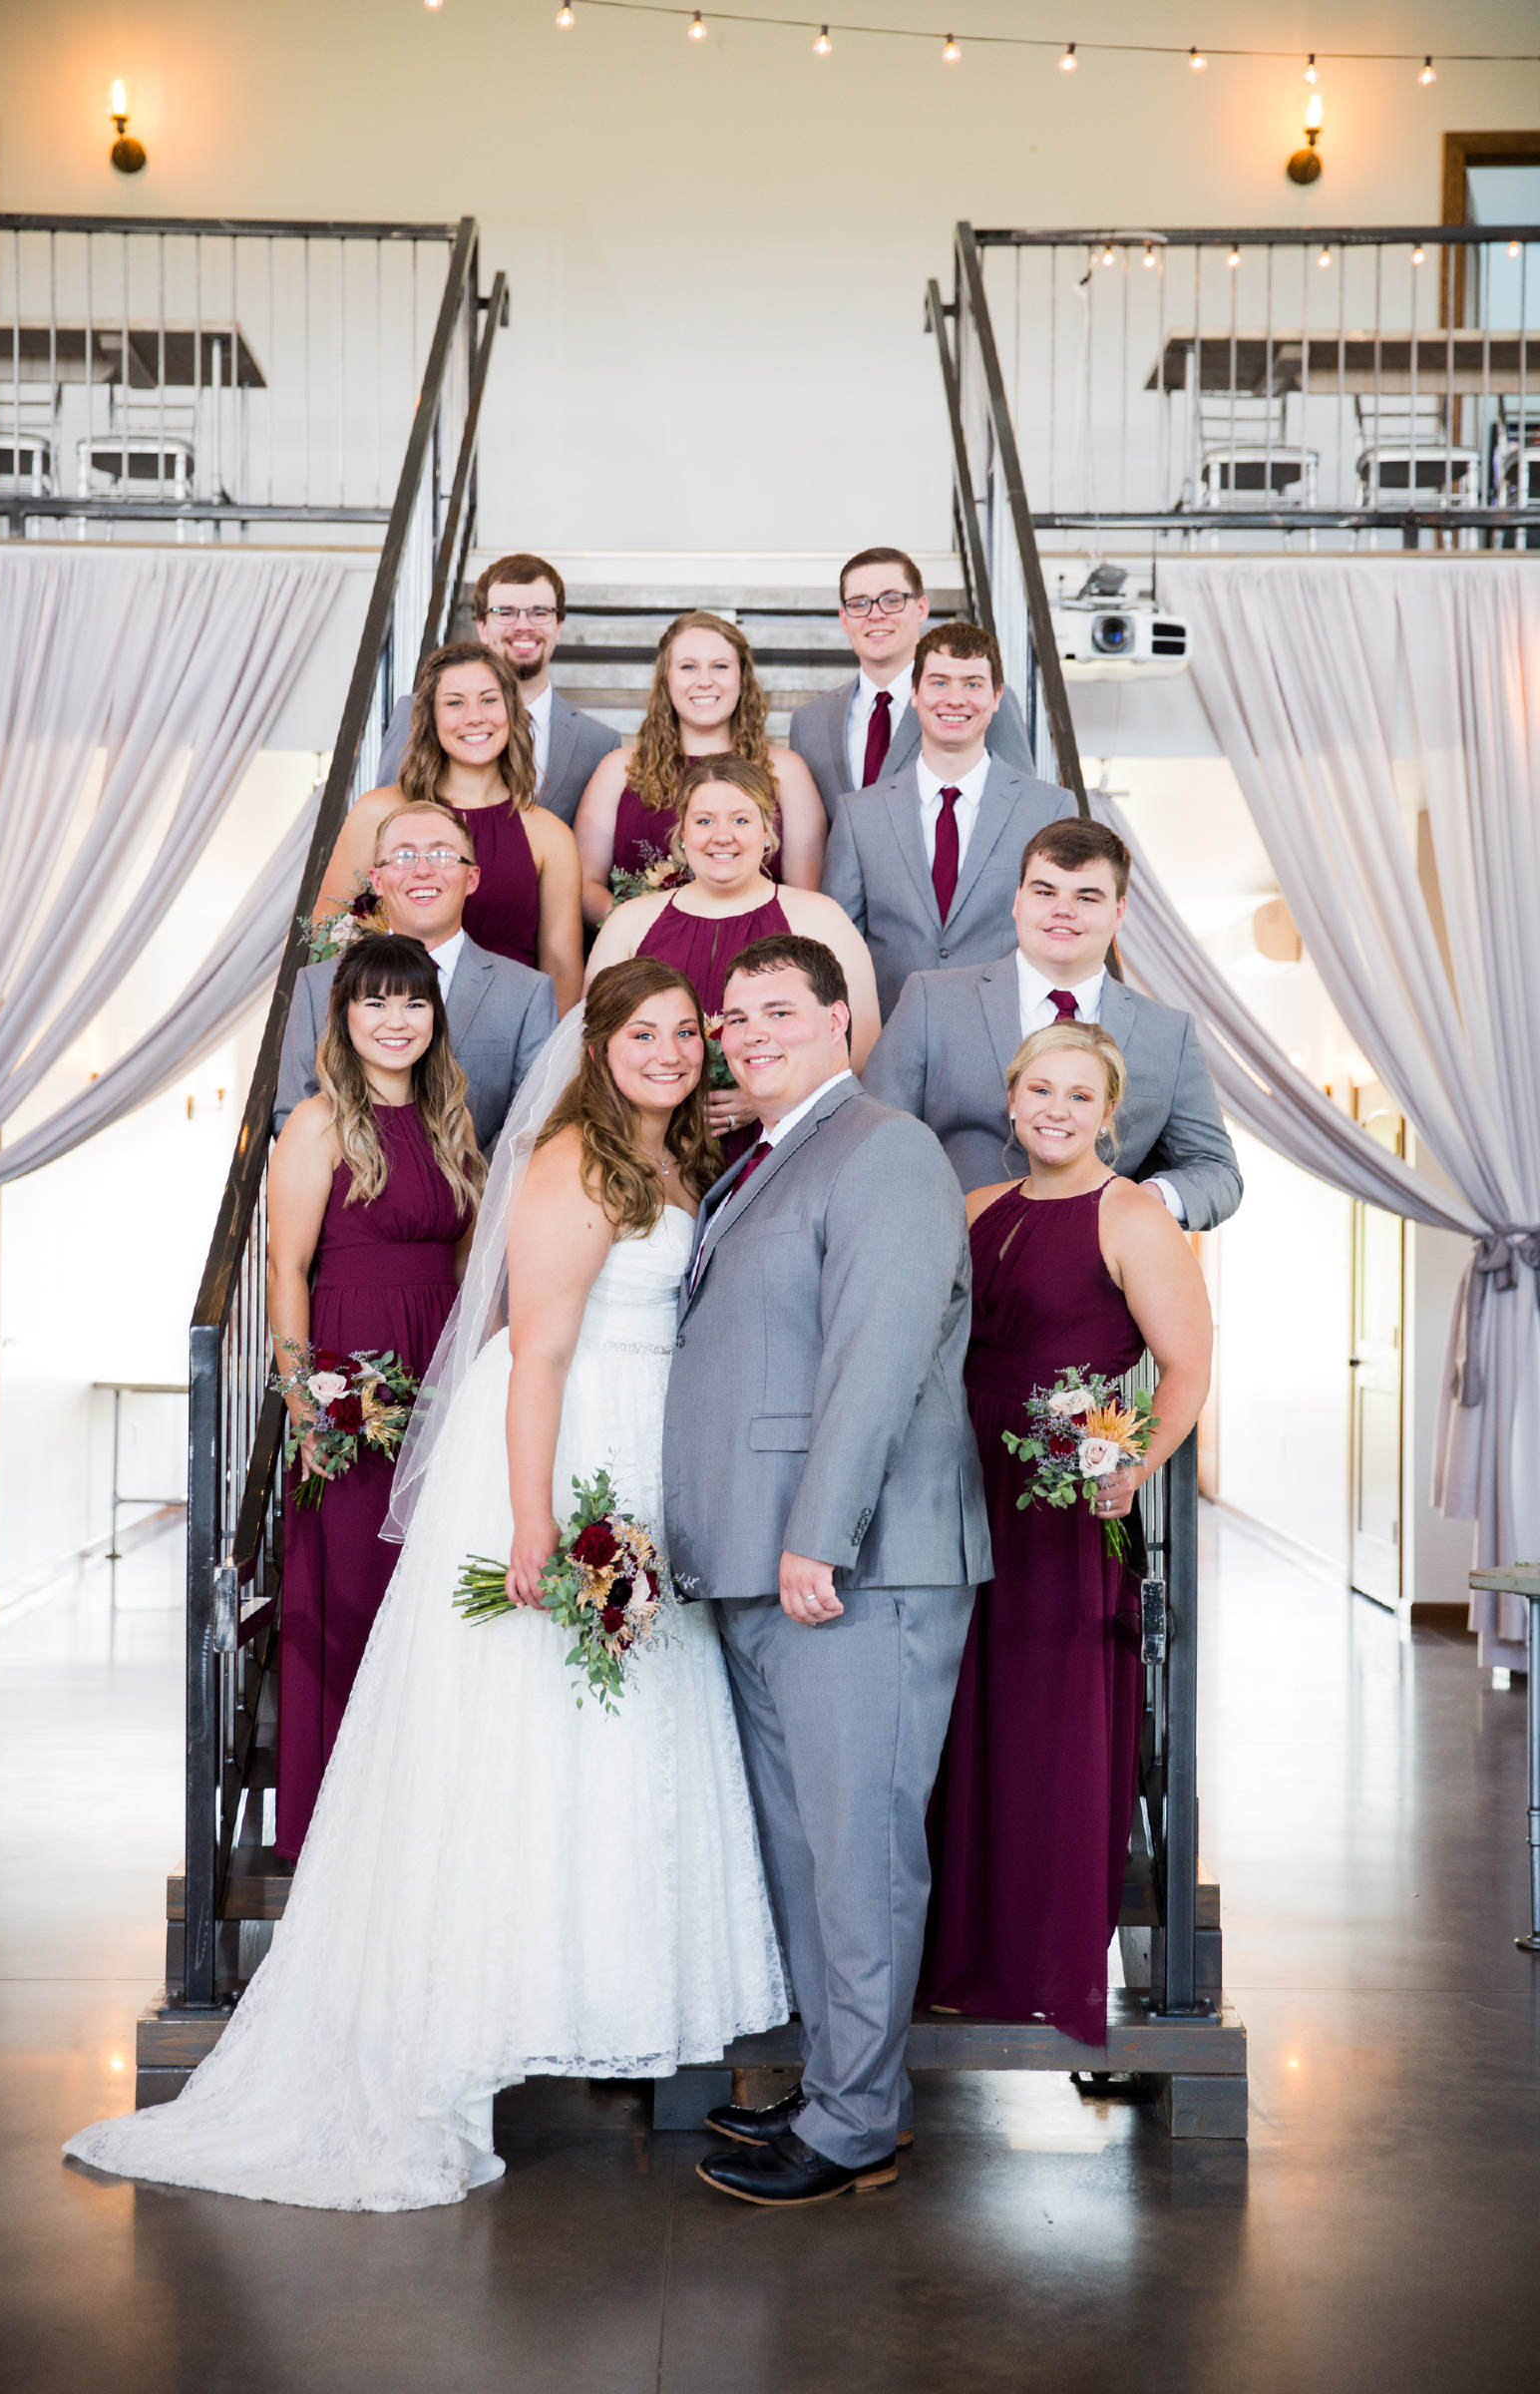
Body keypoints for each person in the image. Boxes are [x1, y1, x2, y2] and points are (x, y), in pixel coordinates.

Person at [64, 959, 786, 2210]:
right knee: (522, 1737)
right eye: (644, 1033)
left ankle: (601, 1984)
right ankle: (474, 2012)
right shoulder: (572, 1162)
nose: (668, 1052)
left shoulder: (677, 1159)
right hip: (565, 1451)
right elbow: (539, 1357)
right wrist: (532, 1526)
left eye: (686, 1035)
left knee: (618, 1741)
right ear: (599, 1043)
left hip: (651, 1446)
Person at [662, 934, 990, 2207]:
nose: (747, 1035)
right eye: (732, 1019)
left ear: (842, 1020)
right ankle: (839, 2084)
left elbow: (877, 1357)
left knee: (858, 1850)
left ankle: (859, 2123)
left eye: (777, 1012)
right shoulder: (771, 1156)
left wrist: (819, 1533)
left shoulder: (886, 1149)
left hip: (858, 1565)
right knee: (805, 1848)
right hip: (767, 1564)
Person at [919, 1020, 1212, 2044]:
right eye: (1038, 1090)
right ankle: (951, 1953)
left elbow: (1184, 1369)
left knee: (1047, 1724)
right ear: (1009, 1100)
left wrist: (1133, 1464)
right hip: (955, 1480)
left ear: (1108, 1115)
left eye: (1077, 1097)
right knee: (960, 1717)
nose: (1053, 1110)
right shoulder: (972, 1208)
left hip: (1062, 1493)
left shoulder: (1130, 1216)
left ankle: (1038, 1954)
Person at [266, 934, 482, 1858]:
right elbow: (286, 1264)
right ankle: (345, 1825)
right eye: (375, 1005)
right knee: (356, 1584)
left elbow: (470, 1255)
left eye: (414, 1005)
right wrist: (302, 1400)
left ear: (435, 1019)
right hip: (355, 1371)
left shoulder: (451, 1120)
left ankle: (423, 1809)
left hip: (442, 1364)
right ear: (344, 1019)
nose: (396, 1022)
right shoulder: (317, 1123)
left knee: (427, 1591)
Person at [865, 817, 1244, 1229]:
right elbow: (874, 1145)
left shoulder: (1169, 1035)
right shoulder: (930, 1001)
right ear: (1017, 901)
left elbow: (1216, 1171)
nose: (1063, 910)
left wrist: (1136, 1202)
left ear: (1119, 912)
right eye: (1045, 892)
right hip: (953, 1263)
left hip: (1093, 1273)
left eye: (1087, 897)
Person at [585, 758, 882, 1151]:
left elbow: (860, 1045)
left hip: (784, 1143)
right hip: (653, 1148)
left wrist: (767, 1092)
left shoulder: (820, 917)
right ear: (682, 835)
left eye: (740, 820)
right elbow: (594, 1044)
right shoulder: (629, 922)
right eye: (705, 821)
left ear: (767, 833)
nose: (721, 836)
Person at [823, 620, 1075, 1018]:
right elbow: (837, 947)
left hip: (1012, 1037)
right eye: (939, 682)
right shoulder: (859, 815)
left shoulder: (1049, 809)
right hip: (887, 1034)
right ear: (914, 693)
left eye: (973, 684)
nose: (955, 699)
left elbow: (1064, 938)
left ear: (996, 697)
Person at [274, 801, 558, 1155]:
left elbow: (533, 1122)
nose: (423, 870)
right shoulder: (317, 986)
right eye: (403, 856)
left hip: (478, 1201)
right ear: (376, 881)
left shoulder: (528, 993)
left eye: (442, 855)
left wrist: (470, 1193)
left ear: (472, 878)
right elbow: (292, 1112)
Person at [317, 642, 583, 1016]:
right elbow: (323, 938)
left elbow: (562, 969)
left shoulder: (549, 834)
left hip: (505, 1035)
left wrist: (544, 1064)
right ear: (431, 717)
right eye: (455, 703)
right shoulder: (378, 812)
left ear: (512, 711)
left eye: (488, 700)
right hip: (390, 1029)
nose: (474, 717)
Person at [574, 611, 827, 924]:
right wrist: (640, 929)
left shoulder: (786, 772)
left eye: (719, 666)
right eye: (688, 667)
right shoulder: (618, 770)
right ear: (666, 680)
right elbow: (584, 886)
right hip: (642, 961)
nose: (704, 680)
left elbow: (806, 898)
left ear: (742, 680)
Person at [375, 553, 620, 828]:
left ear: (558, 626)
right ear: (481, 626)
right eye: (505, 613)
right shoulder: (417, 712)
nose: (523, 626)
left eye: (539, 612)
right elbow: (386, 825)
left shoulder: (599, 743)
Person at [791, 546, 1035, 821]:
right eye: (859, 603)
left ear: (921, 609)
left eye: (891, 600)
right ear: (844, 619)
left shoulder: (974, 703)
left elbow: (1021, 805)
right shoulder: (809, 722)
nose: (875, 614)